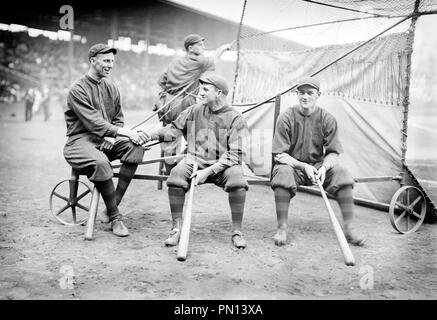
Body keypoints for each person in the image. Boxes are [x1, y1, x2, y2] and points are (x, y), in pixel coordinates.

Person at [144, 74, 249, 249]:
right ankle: (176, 228)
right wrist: (148, 136)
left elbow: (236, 153)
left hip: (224, 166)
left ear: (219, 93)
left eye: (206, 89)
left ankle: (237, 231)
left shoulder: (236, 118)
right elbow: (173, 129)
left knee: (238, 181)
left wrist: (208, 171)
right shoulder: (194, 110)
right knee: (176, 175)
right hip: (194, 161)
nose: (200, 93)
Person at [270, 76, 366, 247]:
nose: (305, 96)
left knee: (342, 174)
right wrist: (302, 166)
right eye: (301, 93)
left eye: (310, 92)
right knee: (282, 172)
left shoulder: (327, 119)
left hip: (317, 169)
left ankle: (350, 228)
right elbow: (279, 155)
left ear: (318, 94)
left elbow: (333, 153)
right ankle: (282, 227)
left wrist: (324, 167)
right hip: (293, 167)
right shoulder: (286, 117)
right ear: (297, 94)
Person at [63, 43, 147, 237]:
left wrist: (112, 135)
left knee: (135, 147)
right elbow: (94, 123)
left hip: (105, 139)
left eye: (113, 62)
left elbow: (118, 117)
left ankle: (111, 206)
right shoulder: (77, 90)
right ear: (93, 60)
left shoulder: (112, 87)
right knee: (101, 162)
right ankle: (115, 216)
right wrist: (116, 132)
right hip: (79, 142)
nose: (110, 65)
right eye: (106, 61)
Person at [155, 34, 234, 174]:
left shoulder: (175, 61)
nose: (203, 47)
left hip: (167, 104)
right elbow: (214, 58)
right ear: (190, 48)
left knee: (169, 140)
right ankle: (178, 172)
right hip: (184, 104)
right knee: (196, 140)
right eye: (200, 44)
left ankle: (170, 173)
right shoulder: (199, 61)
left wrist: (162, 99)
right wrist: (223, 48)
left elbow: (161, 82)